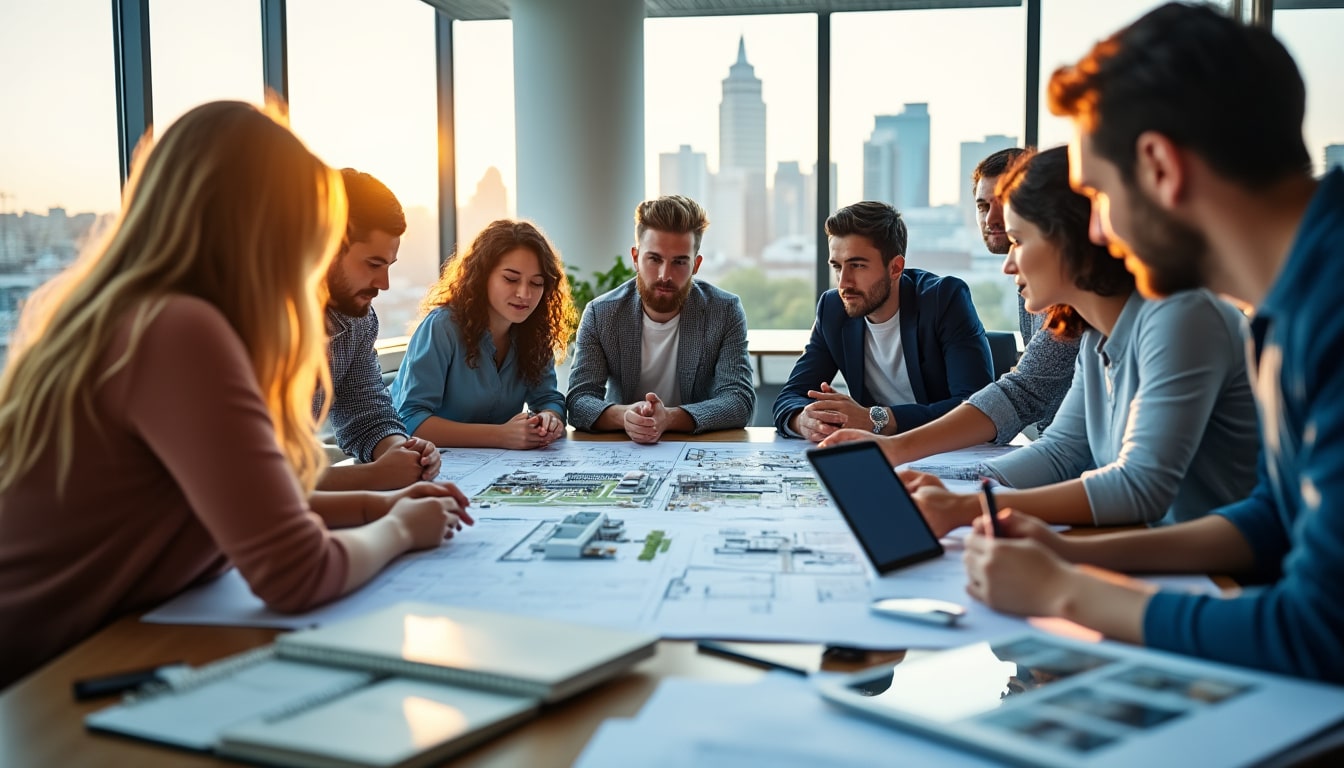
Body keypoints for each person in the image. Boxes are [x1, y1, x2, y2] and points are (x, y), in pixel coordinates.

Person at [0, 101, 471, 689]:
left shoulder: (125, 314)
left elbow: (228, 513)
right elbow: (296, 572)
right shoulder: (178, 330)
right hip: (46, 680)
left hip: (90, 649)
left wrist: (380, 508)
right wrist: (400, 531)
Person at [961, 3, 1344, 681]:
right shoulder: (1288, 302)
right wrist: (1066, 556)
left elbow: (1321, 630)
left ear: (1160, 167)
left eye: (1100, 194)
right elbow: (1275, 518)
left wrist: (1064, 591)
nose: (1100, 234)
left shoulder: (1329, 305)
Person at [895, 147, 1259, 534]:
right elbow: (1060, 452)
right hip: (1147, 550)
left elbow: (1140, 488)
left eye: (1019, 241)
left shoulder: (1183, 317)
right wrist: (948, 483)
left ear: (1069, 238)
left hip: (1213, 573)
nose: (1008, 263)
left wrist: (969, 506)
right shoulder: (1094, 337)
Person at [820, 149, 1083, 463]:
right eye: (983, 205)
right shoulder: (1044, 294)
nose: (992, 219)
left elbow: (1024, 393)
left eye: (1008, 205)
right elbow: (1059, 439)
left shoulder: (947, 296)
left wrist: (889, 440)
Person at [773, 201, 994, 441]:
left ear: (895, 268)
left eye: (857, 265)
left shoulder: (944, 300)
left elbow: (976, 406)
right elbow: (790, 397)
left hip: (943, 451)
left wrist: (875, 419)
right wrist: (803, 421)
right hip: (877, 455)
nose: (844, 283)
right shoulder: (833, 309)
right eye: (837, 266)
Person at [566, 195, 754, 443]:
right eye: (654, 259)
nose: (665, 275)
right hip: (625, 446)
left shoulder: (724, 311)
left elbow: (739, 400)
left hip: (697, 446)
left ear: (696, 265)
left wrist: (670, 418)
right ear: (635, 257)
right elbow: (579, 401)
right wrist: (626, 416)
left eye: (679, 262)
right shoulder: (601, 314)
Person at [392, 219, 575, 449]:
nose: (524, 294)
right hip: (435, 464)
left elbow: (549, 398)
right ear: (482, 276)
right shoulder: (443, 326)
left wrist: (550, 418)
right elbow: (411, 421)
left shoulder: (533, 332)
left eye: (536, 283)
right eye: (511, 279)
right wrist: (501, 436)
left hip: (494, 467)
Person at [316, 168, 441, 491]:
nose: (383, 285)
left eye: (389, 266)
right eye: (373, 264)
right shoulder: (251, 325)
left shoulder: (358, 320)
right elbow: (251, 475)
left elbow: (365, 411)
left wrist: (401, 450)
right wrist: (373, 477)